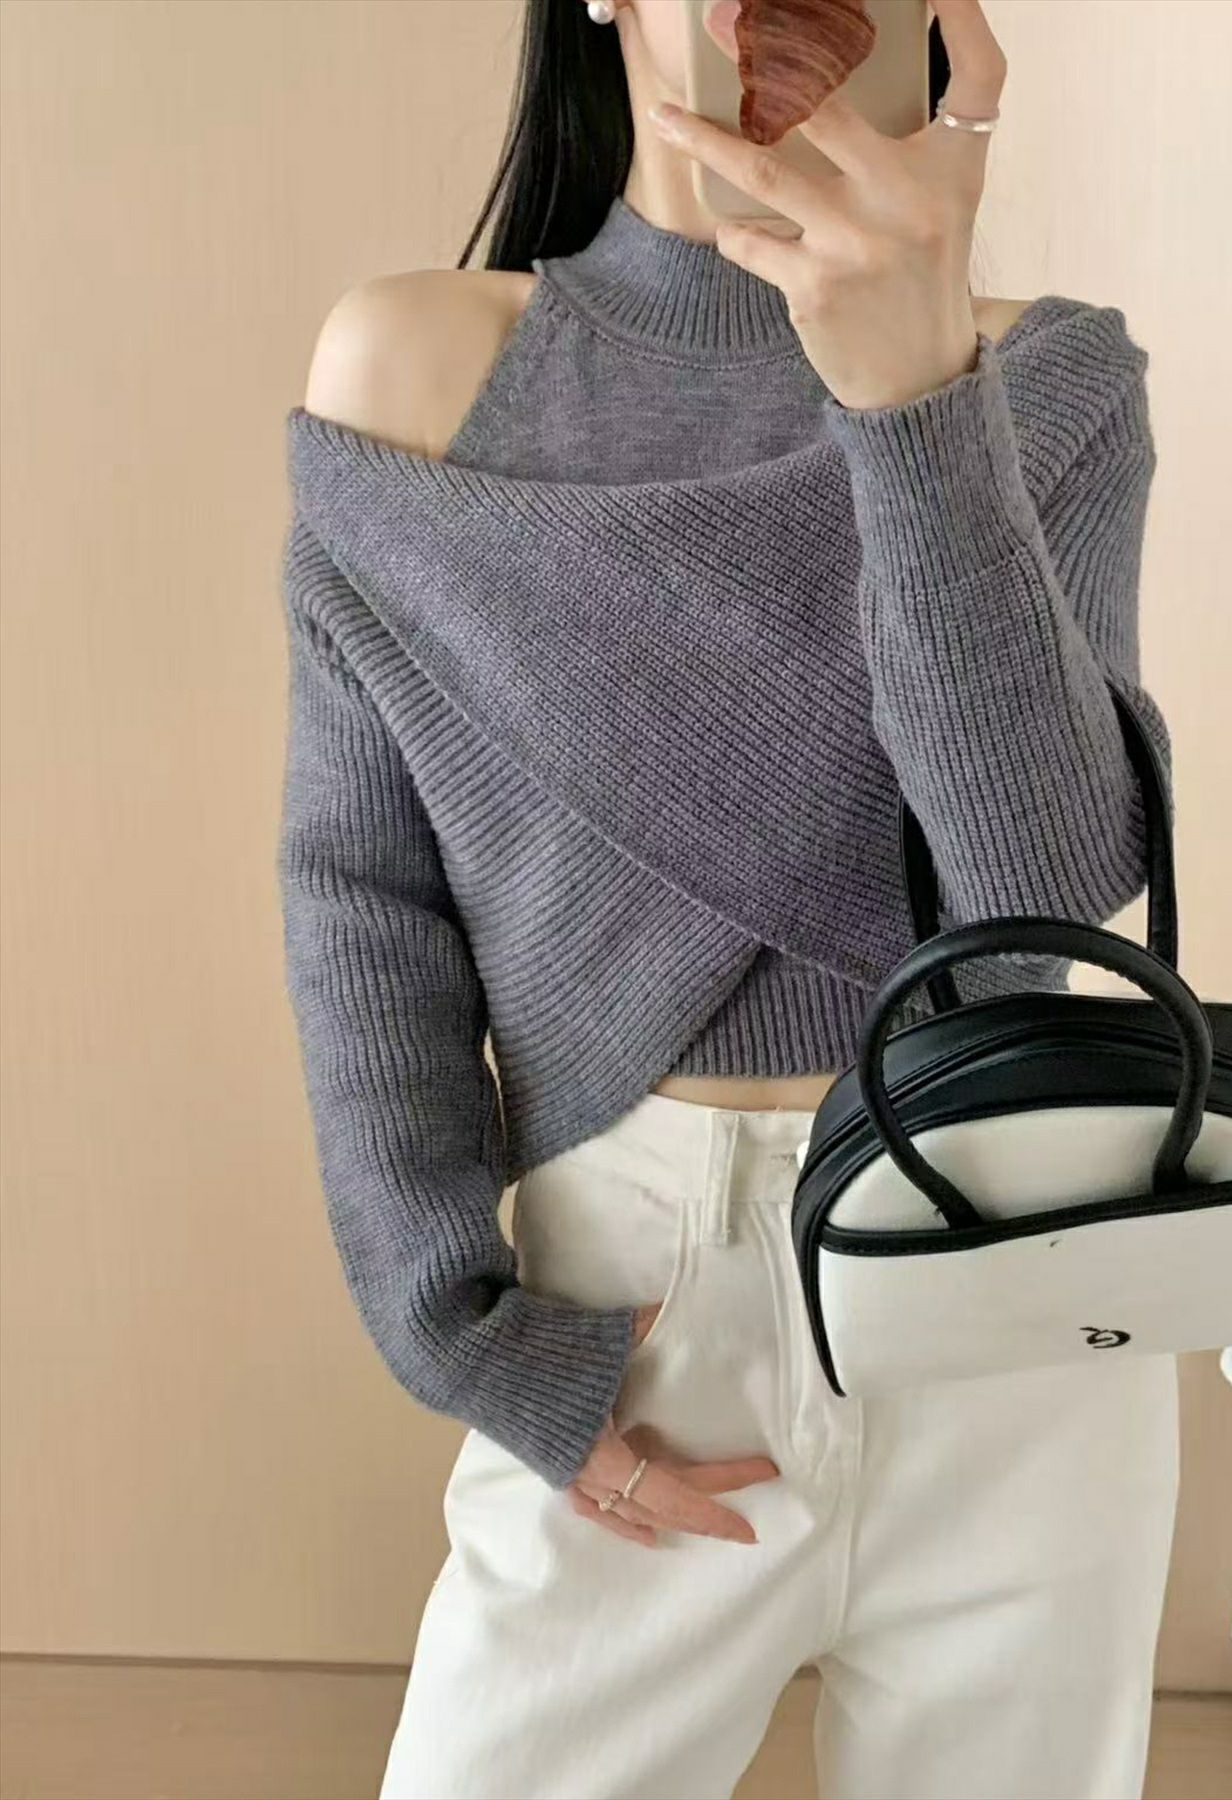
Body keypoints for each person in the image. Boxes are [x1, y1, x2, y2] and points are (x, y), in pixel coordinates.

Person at [275, 1, 1180, 1795]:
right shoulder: (419, 363)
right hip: (641, 1303)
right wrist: (463, 1337)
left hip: (1015, 1291)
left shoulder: (1047, 377)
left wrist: (916, 396)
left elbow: (1039, 892)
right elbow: (362, 901)